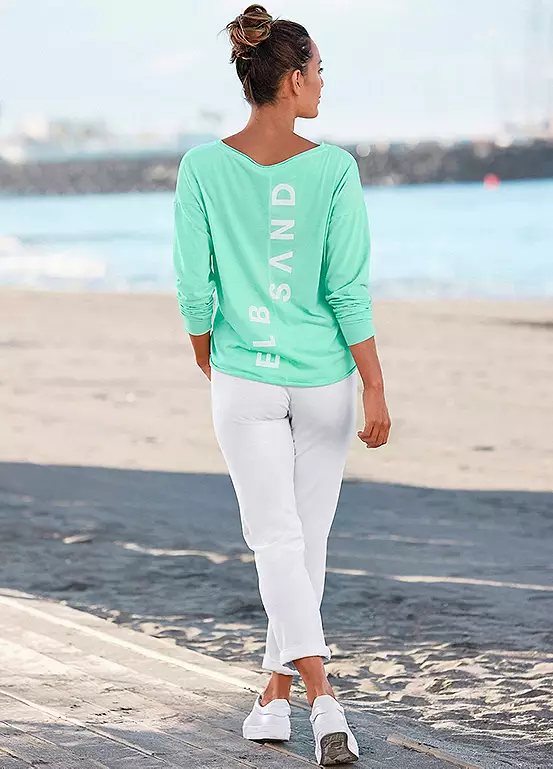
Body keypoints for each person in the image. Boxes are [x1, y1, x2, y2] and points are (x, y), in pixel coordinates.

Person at [172, 5, 391, 765]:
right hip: (326, 379)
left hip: (244, 376)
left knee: (278, 541)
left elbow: (193, 285)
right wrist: (374, 385)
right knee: (301, 543)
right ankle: (321, 701)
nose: (323, 83)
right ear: (293, 79)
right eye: (319, 71)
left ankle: (276, 696)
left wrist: (208, 351)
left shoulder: (202, 167)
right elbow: (347, 290)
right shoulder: (334, 169)